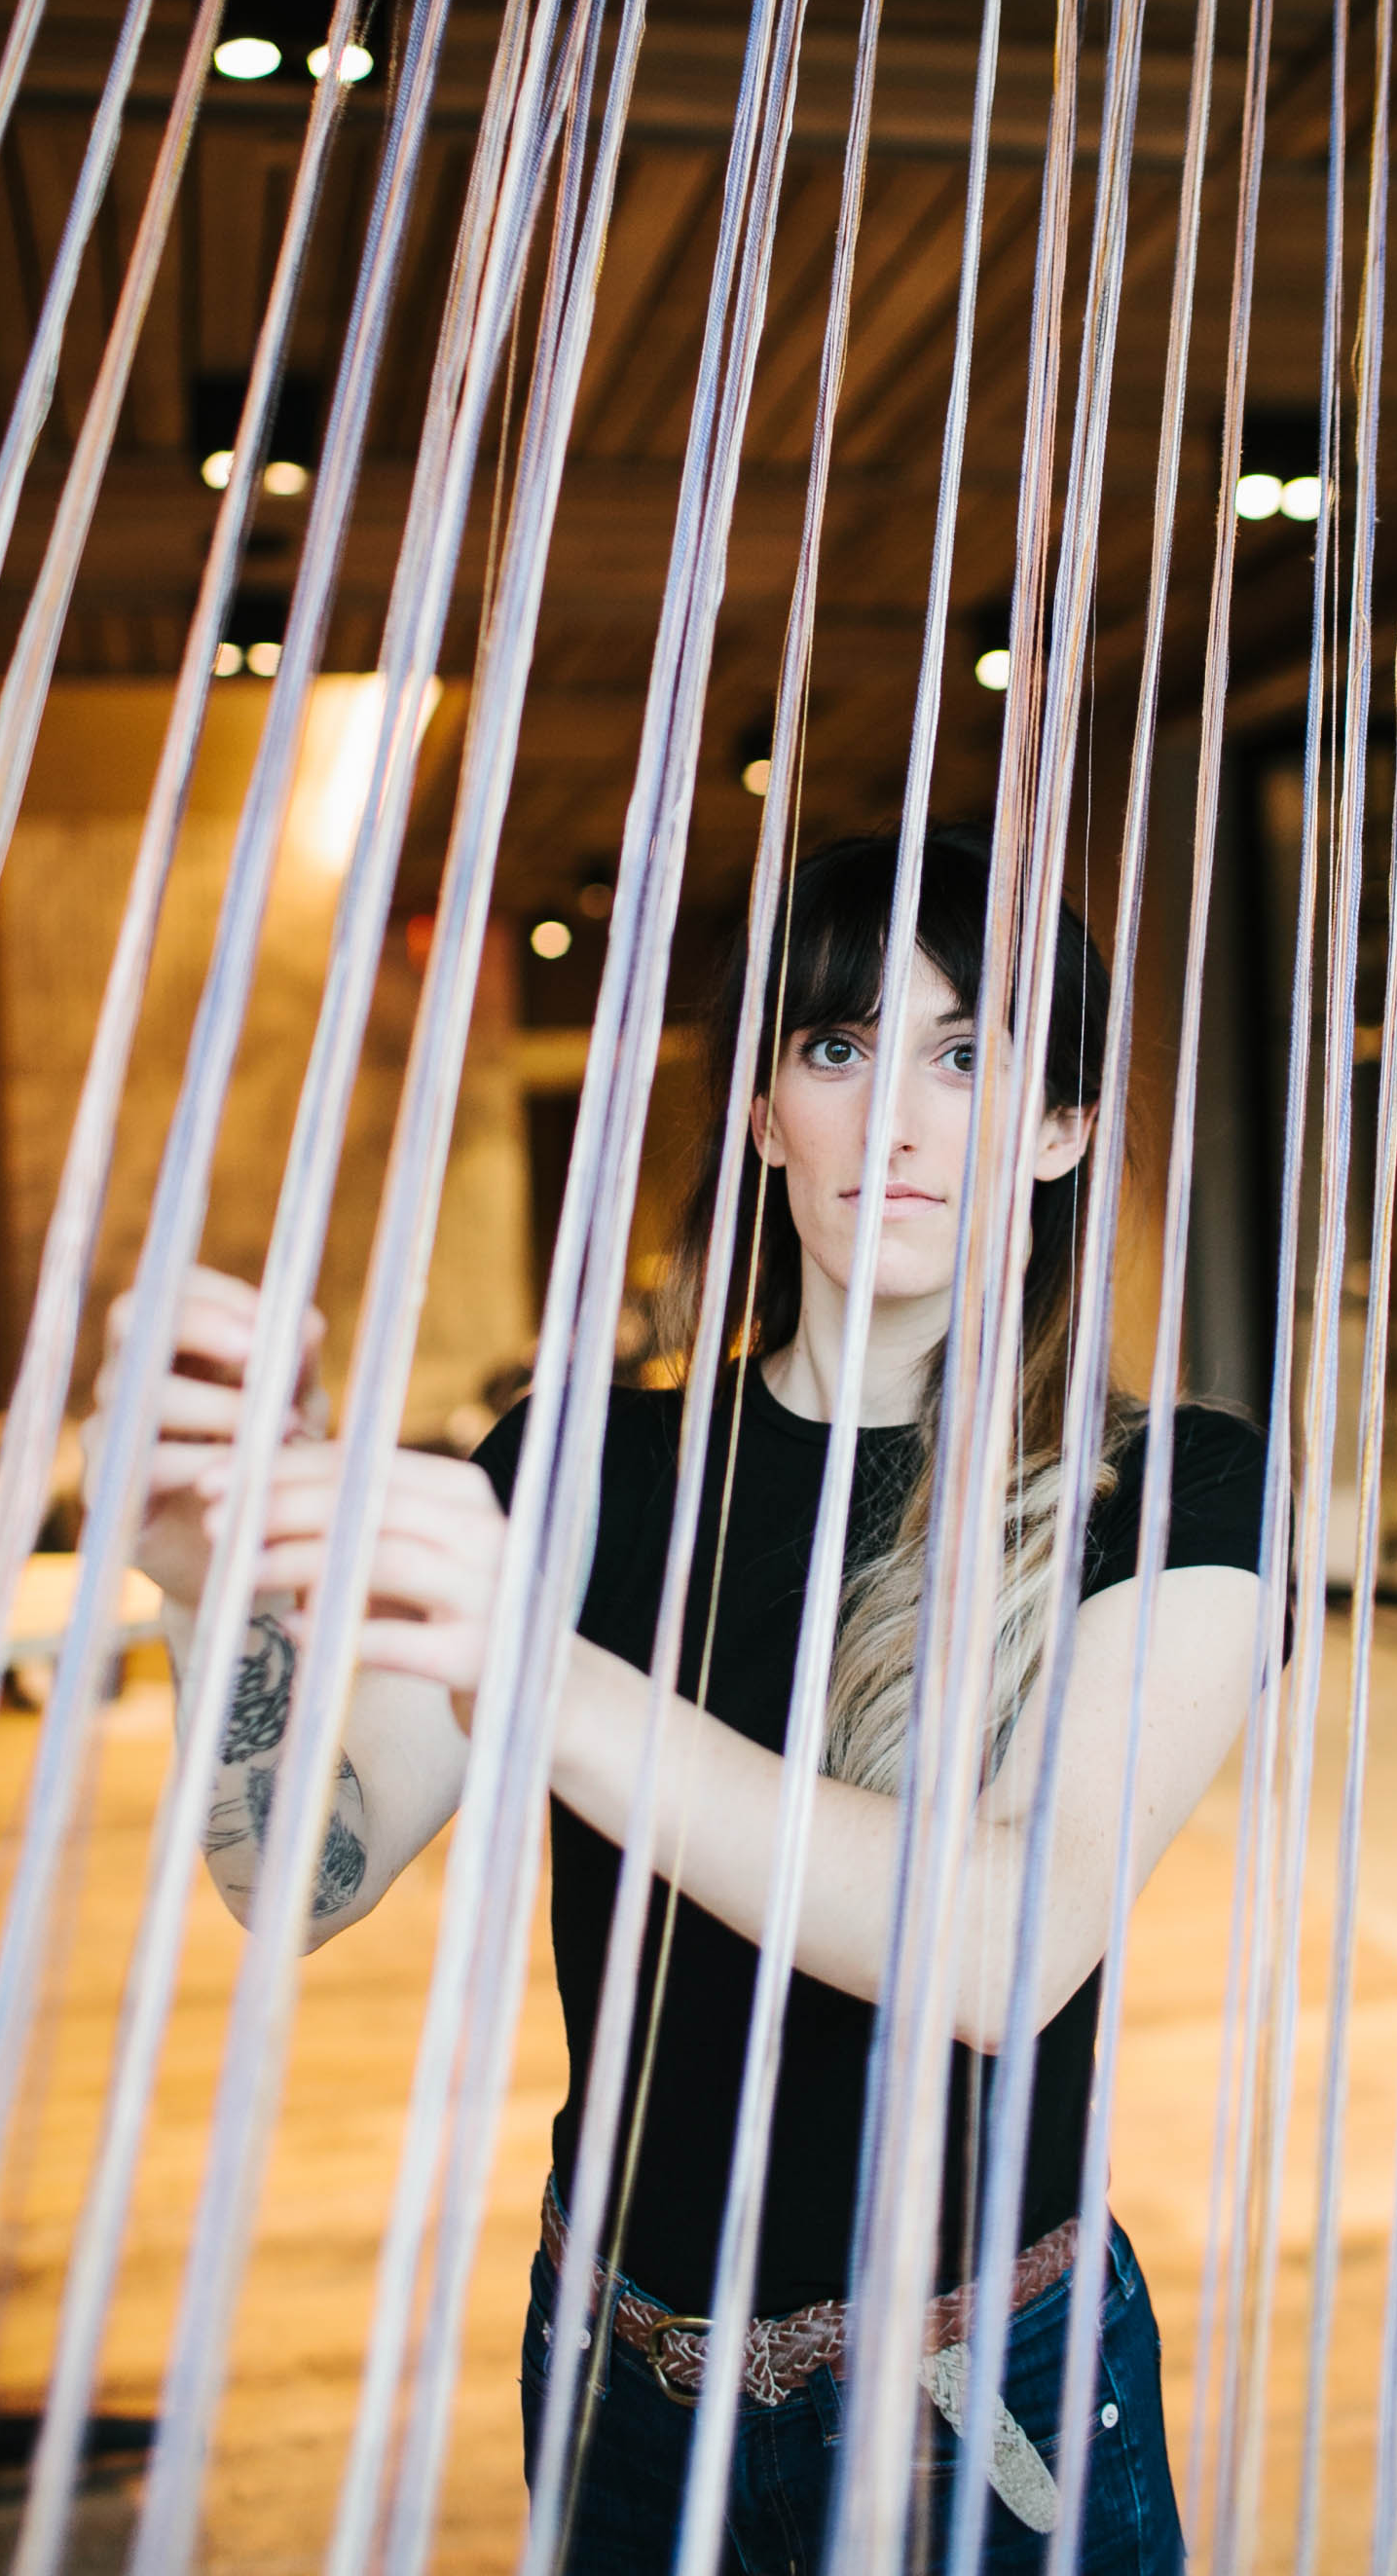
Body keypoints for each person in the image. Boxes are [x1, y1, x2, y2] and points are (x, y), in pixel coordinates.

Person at [101, 826, 1265, 2574]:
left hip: (985, 2404)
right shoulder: (583, 1467)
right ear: (761, 1112)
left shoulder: (1168, 1493)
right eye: (839, 1045)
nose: (896, 1117)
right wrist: (205, 1586)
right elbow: (301, 1875)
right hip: (623, 2388)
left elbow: (995, 1952)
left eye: (969, 1054)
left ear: (1060, 1129)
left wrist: (534, 1668)